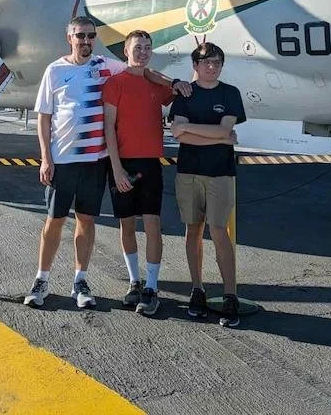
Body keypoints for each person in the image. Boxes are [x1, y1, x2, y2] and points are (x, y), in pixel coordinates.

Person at [23, 17, 186, 309]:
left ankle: (80, 280)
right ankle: (41, 279)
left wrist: (172, 82)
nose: (86, 41)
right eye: (80, 36)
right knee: (54, 222)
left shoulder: (106, 66)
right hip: (63, 161)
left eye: (90, 36)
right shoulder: (55, 70)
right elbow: (44, 117)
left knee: (86, 221)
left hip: (95, 162)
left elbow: (143, 72)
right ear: (69, 37)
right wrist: (46, 158)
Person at [102, 30, 190, 316]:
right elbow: (109, 130)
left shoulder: (157, 83)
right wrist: (116, 170)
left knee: (153, 226)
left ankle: (151, 287)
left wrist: (178, 83)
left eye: (147, 47)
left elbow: (172, 90)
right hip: (122, 164)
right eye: (137, 47)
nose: (142, 52)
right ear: (125, 50)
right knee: (127, 226)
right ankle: (134, 282)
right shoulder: (115, 84)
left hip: (151, 164)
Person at [169, 42, 246, 327]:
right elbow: (181, 136)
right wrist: (219, 137)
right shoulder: (185, 95)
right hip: (189, 172)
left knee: (219, 230)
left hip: (220, 173)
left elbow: (224, 129)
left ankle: (230, 294)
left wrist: (190, 127)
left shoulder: (230, 93)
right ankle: (197, 289)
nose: (211, 67)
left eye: (216, 62)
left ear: (221, 66)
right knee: (193, 230)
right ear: (195, 66)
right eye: (205, 62)